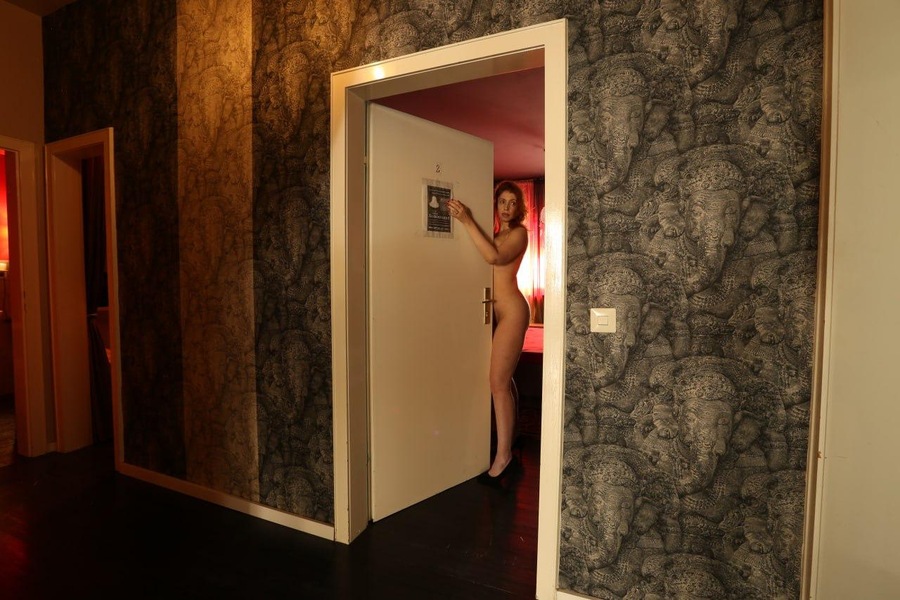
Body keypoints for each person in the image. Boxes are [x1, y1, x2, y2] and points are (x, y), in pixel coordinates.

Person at [447, 181, 529, 482]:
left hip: (512, 312)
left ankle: (503, 457)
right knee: (504, 379)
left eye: (512, 203)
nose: (506, 208)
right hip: (492, 311)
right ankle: (512, 438)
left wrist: (466, 219)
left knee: (497, 383)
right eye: (502, 202)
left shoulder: (520, 234)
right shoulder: (496, 235)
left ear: (519, 208)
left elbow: (494, 258)